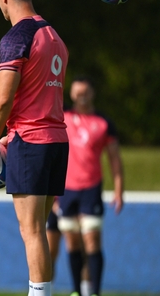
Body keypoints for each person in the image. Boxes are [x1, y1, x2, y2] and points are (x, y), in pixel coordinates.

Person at [0, 0, 69, 296]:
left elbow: (2, 98)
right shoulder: (54, 36)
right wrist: (6, 134)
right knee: (38, 231)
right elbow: (39, 96)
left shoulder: (17, 37)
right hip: (58, 142)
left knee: (30, 232)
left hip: (31, 143)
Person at [57, 76, 124, 296]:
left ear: (92, 93)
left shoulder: (104, 122)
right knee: (72, 242)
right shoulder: (62, 117)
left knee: (92, 241)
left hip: (91, 188)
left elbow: (114, 158)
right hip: (66, 189)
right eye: (77, 92)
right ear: (71, 94)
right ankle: (77, 291)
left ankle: (94, 292)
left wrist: (118, 189)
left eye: (85, 92)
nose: (81, 96)